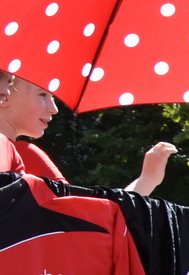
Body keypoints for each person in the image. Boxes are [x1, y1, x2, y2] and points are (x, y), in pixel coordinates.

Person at [0, 75, 177, 194]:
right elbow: (85, 217)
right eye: (42, 94)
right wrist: (147, 180)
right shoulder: (23, 153)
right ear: (5, 95)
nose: (54, 109)